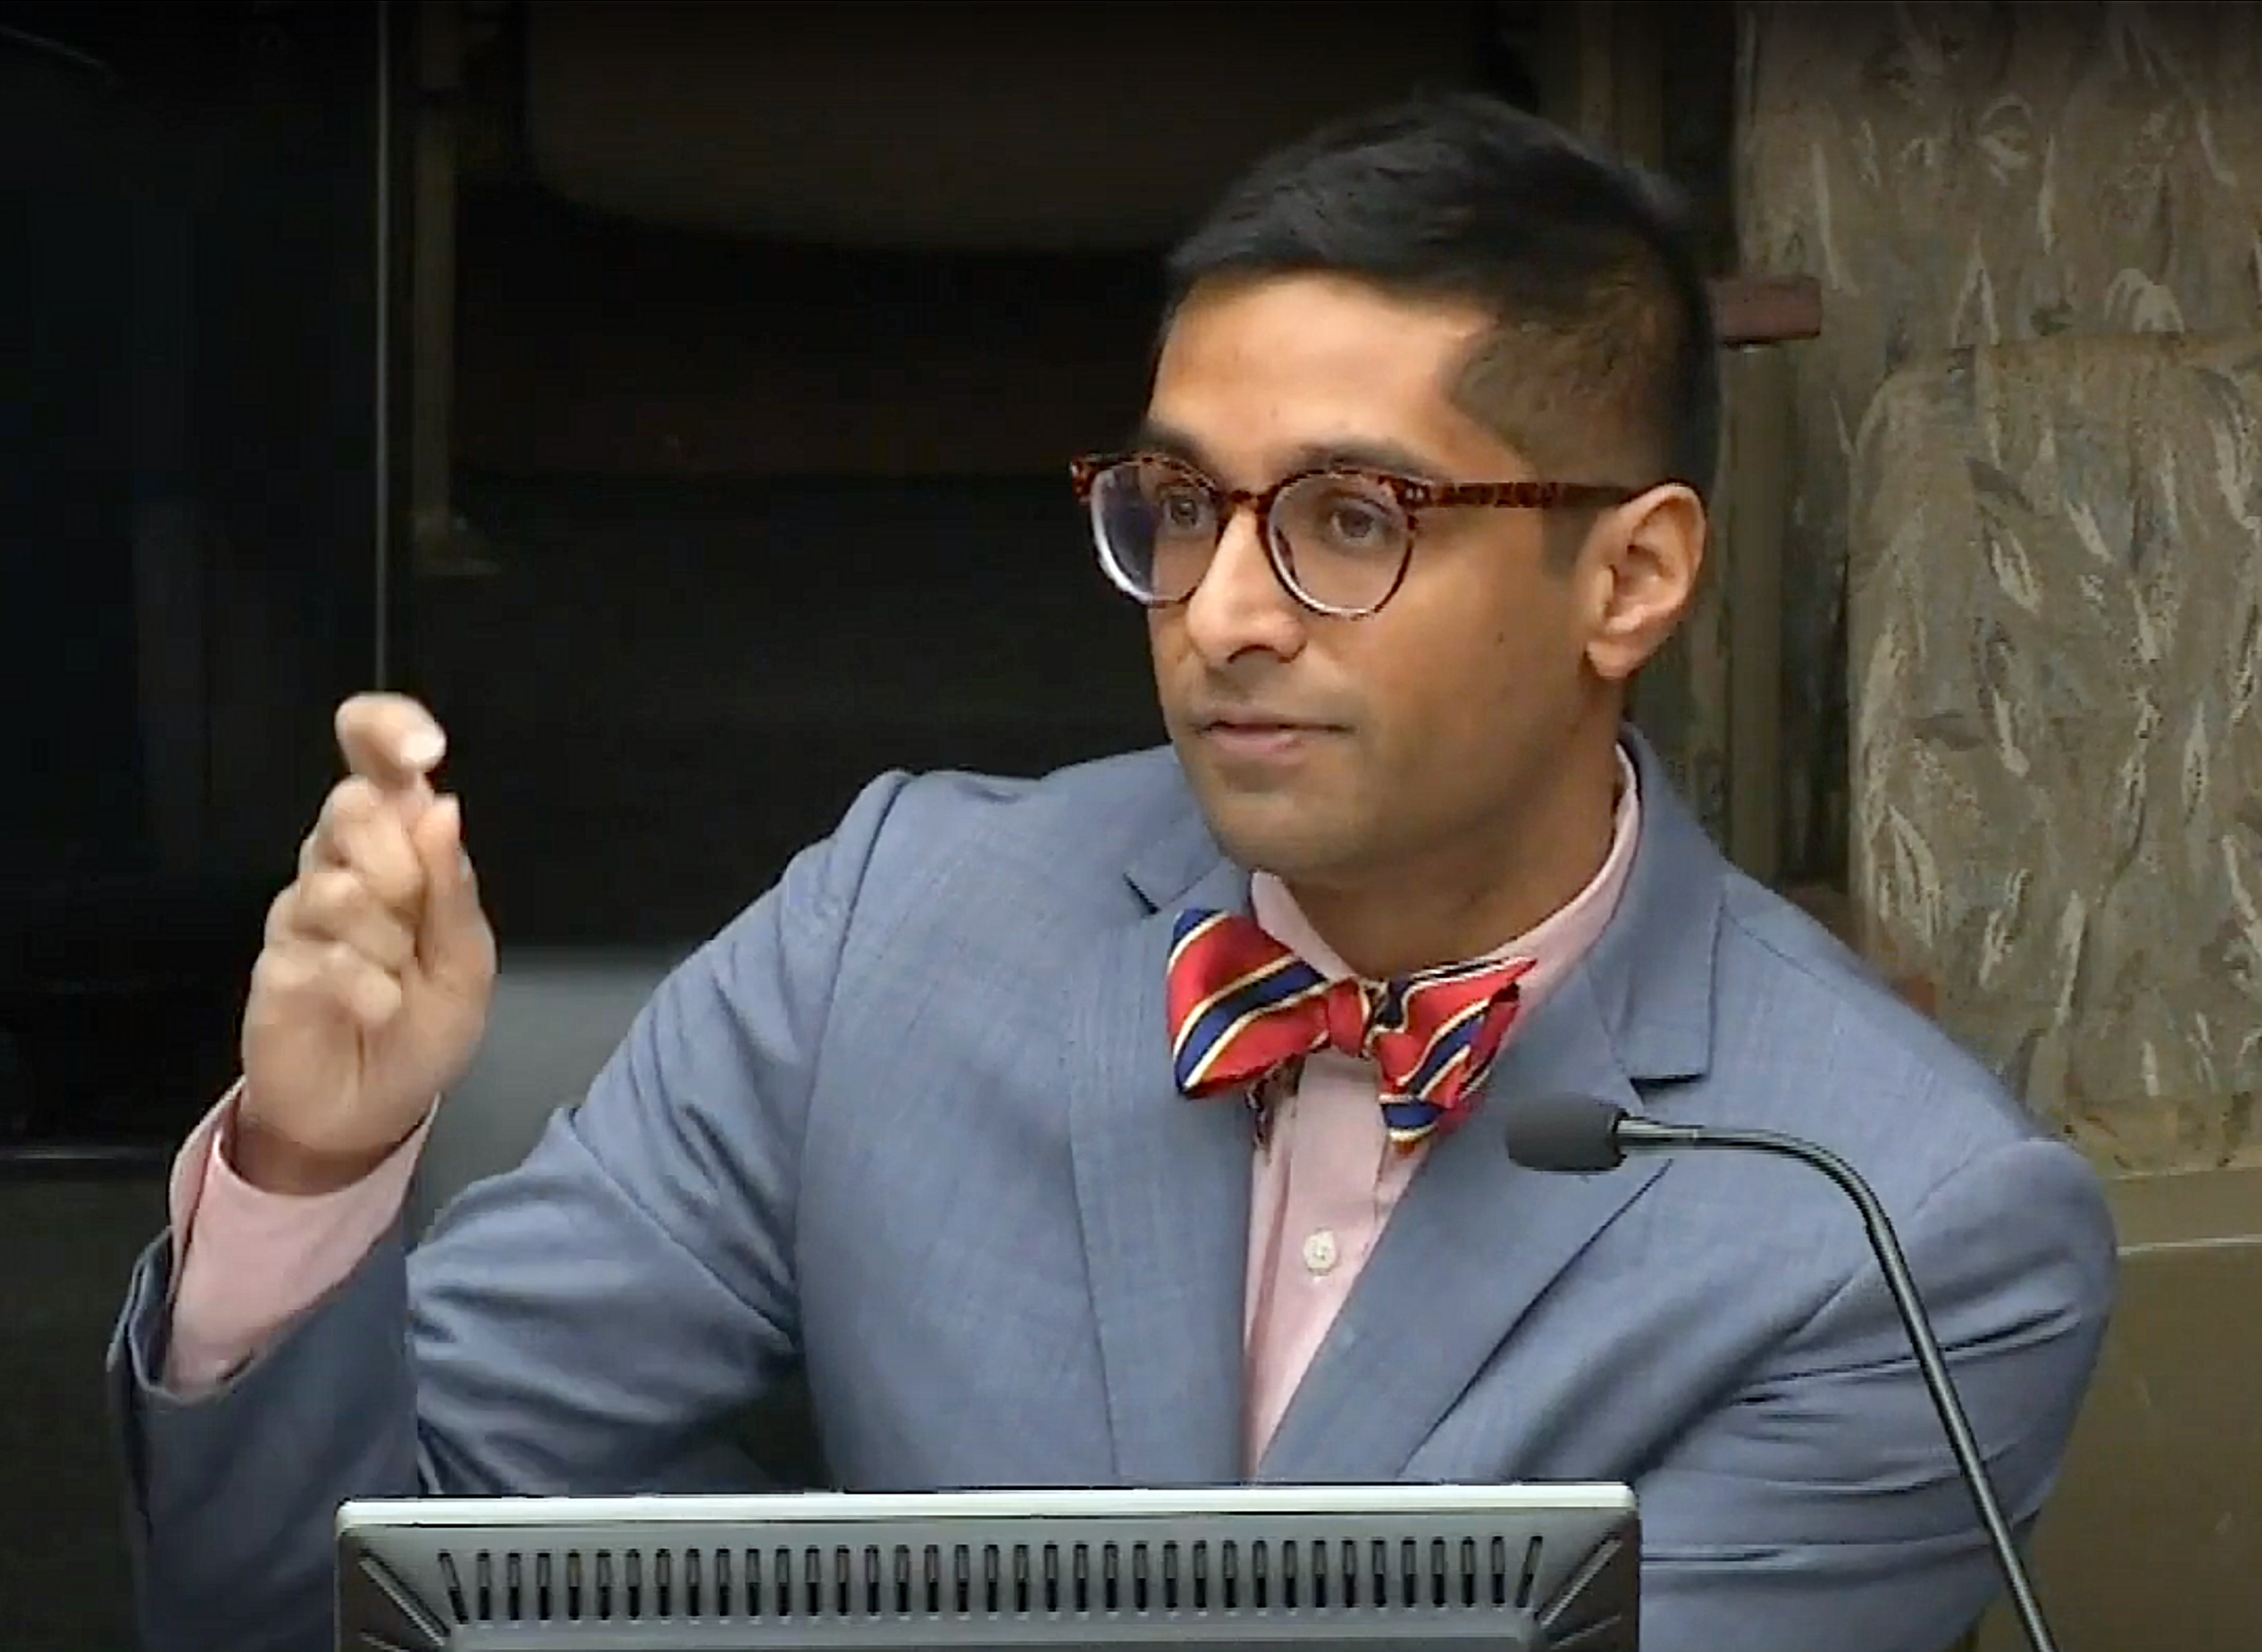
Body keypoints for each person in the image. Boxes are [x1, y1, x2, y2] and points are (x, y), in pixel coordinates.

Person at [108, 91, 2116, 1652]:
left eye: (1345, 518)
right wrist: (308, 1175)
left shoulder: (1900, 1225)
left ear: (1630, 574)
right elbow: (338, 1606)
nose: (1219, 610)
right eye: (1173, 506)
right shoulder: (895, 923)